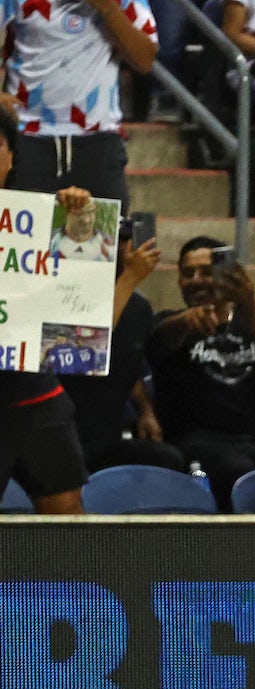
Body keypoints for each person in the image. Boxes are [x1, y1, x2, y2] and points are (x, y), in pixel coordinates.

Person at [146, 237, 255, 511]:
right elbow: (161, 338)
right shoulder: (168, 322)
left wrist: (249, 305)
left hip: (252, 441)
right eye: (188, 273)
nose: (197, 280)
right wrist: (186, 321)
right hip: (192, 445)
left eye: (207, 271)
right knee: (237, 470)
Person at [0, 112, 100, 516]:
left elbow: (82, 324)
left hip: (38, 397)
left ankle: (73, 584)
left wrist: (80, 219)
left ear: (10, 156)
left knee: (66, 524)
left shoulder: (42, 217)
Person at [1, 0, 155, 206]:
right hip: (26, 138)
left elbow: (145, 59)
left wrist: (107, 7)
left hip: (99, 140)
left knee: (104, 237)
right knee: (18, 238)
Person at [61, 221, 184, 476]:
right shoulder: (68, 295)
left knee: (169, 462)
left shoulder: (139, 307)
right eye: (118, 239)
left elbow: (130, 361)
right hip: (62, 434)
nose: (127, 247)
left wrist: (145, 410)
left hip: (108, 434)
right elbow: (83, 351)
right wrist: (128, 277)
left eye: (129, 238)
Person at [49, 200, 117, 264]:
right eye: (80, 214)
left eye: (90, 213)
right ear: (68, 214)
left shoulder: (110, 243)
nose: (86, 220)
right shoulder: (48, 240)